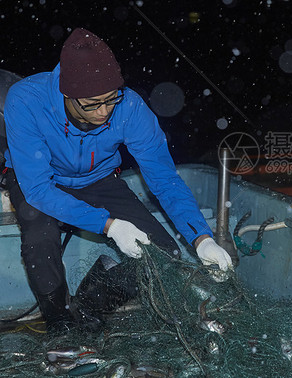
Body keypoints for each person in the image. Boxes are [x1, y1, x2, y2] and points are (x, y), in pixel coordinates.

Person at [3, 27, 233, 333]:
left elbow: (164, 179)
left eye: (111, 99)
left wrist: (201, 238)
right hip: (41, 181)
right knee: (39, 238)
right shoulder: (26, 100)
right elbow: (39, 189)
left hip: (98, 180)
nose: (104, 112)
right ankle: (59, 322)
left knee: (163, 253)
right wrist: (109, 226)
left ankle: (88, 305)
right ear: (66, 93)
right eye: (92, 103)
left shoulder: (130, 106)